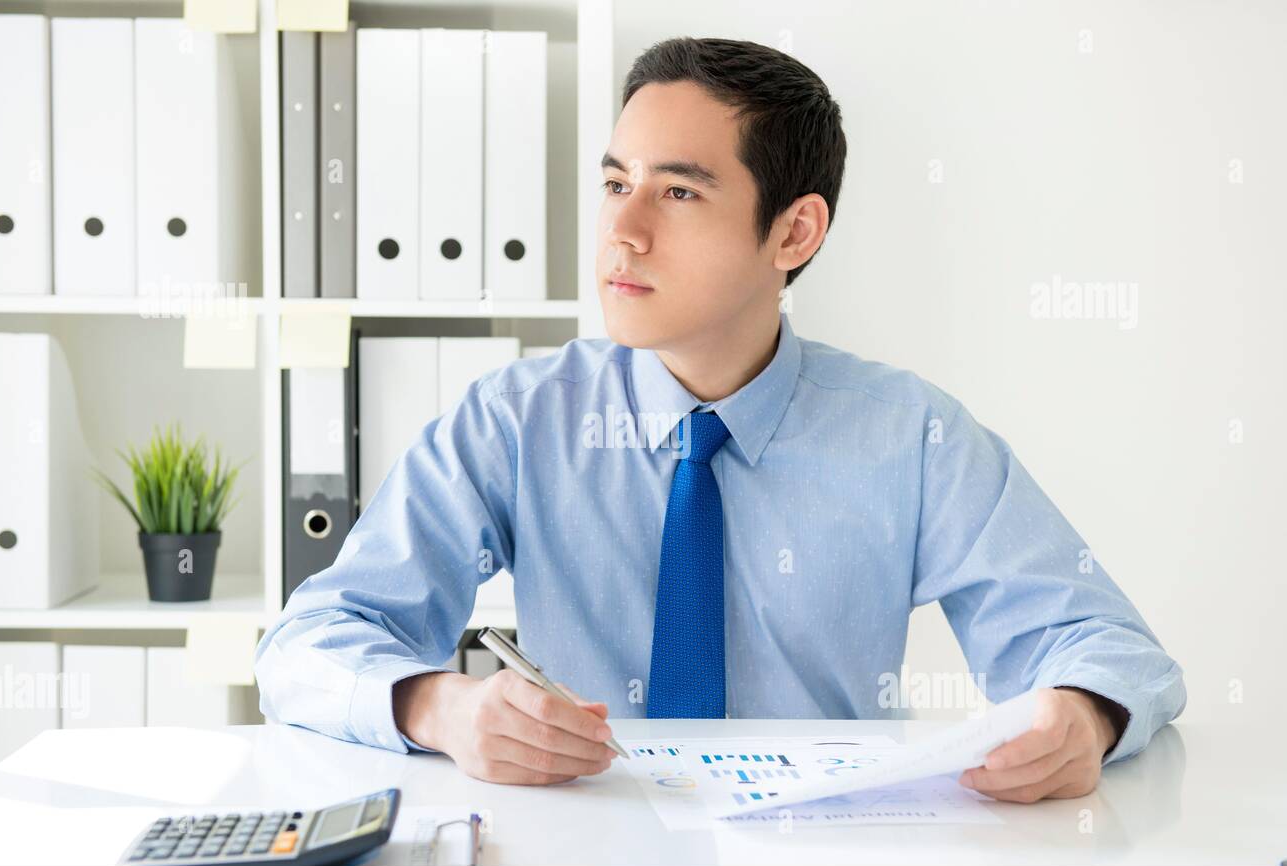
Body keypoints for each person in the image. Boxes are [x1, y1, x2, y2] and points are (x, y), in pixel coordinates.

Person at [256, 37, 1185, 804]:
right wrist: (438, 706)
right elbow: (306, 646)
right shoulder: (517, 420)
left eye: (680, 192)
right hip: (582, 845)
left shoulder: (912, 438)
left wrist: (1085, 713)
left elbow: (1109, 648)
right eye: (617, 183)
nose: (623, 230)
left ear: (795, 232)